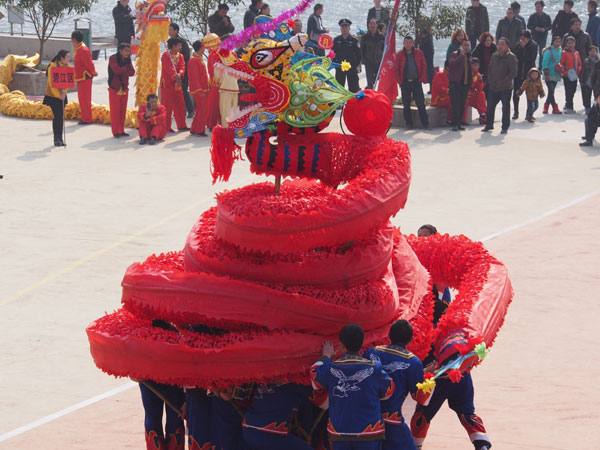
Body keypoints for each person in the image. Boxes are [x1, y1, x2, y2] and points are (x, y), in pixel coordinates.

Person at [310, 324, 395, 449]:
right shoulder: (374, 367)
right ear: (361, 345)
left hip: (340, 432)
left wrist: (326, 356)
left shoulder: (331, 367)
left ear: (341, 345)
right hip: (369, 432)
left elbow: (314, 379)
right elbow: (388, 392)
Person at [410, 332, 492, 450]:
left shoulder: (427, 329)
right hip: (460, 374)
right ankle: (481, 444)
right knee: (467, 412)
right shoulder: (458, 326)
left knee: (423, 413)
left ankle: (415, 445)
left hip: (436, 378)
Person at [363, 320, 427, 450]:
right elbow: (419, 397)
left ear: (389, 335)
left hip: (366, 417)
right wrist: (428, 385)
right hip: (391, 422)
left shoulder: (371, 352)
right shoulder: (413, 361)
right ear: (410, 339)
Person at [138, 320, 185, 450]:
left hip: (173, 381)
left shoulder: (175, 336)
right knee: (153, 421)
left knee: (174, 423)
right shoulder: (142, 334)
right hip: (150, 380)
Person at [242, 383, 313, 450]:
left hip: (247, 431)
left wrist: (298, 428)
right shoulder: (298, 382)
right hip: (271, 435)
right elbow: (321, 399)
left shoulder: (266, 376)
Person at [483, 37, 518, 134]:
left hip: (505, 87)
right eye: (499, 44)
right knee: (490, 106)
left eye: (502, 44)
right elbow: (490, 69)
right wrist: (490, 80)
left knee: (505, 107)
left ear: (507, 46)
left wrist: (503, 82)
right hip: (493, 86)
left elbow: (513, 72)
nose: (500, 46)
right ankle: (489, 124)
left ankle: (505, 127)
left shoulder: (511, 57)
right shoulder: (494, 55)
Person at [395, 35, 429, 129]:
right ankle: (408, 123)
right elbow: (396, 69)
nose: (408, 44)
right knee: (406, 104)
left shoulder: (419, 53)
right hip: (405, 82)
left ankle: (425, 123)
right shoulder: (399, 54)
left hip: (416, 82)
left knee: (420, 103)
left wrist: (421, 79)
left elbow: (424, 66)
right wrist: (400, 82)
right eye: (406, 42)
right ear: (403, 43)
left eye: (410, 42)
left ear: (413, 43)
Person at [43, 49, 70, 147]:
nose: (69, 59)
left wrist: (64, 92)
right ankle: (56, 138)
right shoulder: (52, 66)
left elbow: (68, 82)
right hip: (53, 96)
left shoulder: (68, 66)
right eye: (67, 57)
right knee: (57, 116)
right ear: (61, 58)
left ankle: (60, 138)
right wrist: (59, 95)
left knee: (61, 116)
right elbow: (51, 83)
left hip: (62, 95)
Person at [108, 42, 135, 138]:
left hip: (124, 88)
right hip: (114, 88)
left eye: (129, 51)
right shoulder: (113, 58)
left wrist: (124, 69)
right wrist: (126, 69)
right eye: (126, 51)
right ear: (120, 51)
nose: (128, 53)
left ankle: (121, 130)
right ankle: (115, 131)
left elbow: (132, 72)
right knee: (115, 111)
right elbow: (116, 70)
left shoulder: (128, 59)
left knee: (122, 111)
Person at [161, 38, 188, 132]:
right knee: (167, 106)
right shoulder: (165, 55)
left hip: (177, 83)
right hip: (168, 83)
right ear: (173, 46)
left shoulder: (180, 56)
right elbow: (168, 68)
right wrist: (175, 75)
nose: (180, 47)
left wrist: (180, 74)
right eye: (178, 45)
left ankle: (182, 125)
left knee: (180, 104)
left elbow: (182, 66)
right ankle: (166, 126)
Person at [168, 23, 195, 118]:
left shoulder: (182, 42)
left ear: (176, 31)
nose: (169, 32)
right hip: (174, 70)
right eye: (169, 29)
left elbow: (186, 56)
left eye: (171, 29)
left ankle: (190, 110)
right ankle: (179, 110)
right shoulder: (169, 42)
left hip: (183, 69)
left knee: (183, 89)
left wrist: (181, 68)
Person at [71, 30, 96, 126]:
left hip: (85, 77)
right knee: (82, 99)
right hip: (80, 77)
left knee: (85, 99)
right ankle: (85, 117)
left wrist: (93, 72)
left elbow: (89, 63)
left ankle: (87, 118)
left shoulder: (83, 49)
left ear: (74, 39)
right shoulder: (78, 48)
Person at [448, 39, 473, 131]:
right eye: (464, 45)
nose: (466, 47)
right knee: (456, 106)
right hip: (455, 84)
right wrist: (461, 56)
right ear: (460, 46)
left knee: (462, 105)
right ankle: (454, 123)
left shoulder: (469, 56)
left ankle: (459, 123)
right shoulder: (454, 54)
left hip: (465, 84)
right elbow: (452, 64)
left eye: (468, 45)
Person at [513, 30, 538, 119]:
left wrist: (523, 51)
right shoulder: (518, 45)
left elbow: (531, 59)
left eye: (524, 38)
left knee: (530, 94)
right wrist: (521, 48)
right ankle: (516, 112)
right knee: (516, 93)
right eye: (521, 38)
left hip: (529, 73)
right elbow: (515, 57)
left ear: (528, 38)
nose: (522, 40)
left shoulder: (533, 45)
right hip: (518, 73)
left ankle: (529, 113)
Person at [188, 40, 210, 137]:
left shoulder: (197, 58)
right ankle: (199, 130)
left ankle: (194, 128)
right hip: (200, 89)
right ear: (201, 49)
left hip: (202, 88)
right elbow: (194, 77)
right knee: (202, 110)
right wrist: (199, 90)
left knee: (200, 109)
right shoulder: (194, 60)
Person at [333, 19, 361, 93]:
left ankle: (353, 104)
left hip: (351, 68)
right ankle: (340, 104)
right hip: (340, 67)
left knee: (354, 89)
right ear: (340, 28)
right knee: (339, 89)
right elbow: (333, 53)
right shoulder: (336, 40)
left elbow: (359, 55)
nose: (344, 29)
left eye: (346, 27)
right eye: (343, 27)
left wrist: (354, 66)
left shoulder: (354, 41)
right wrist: (335, 64)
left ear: (349, 28)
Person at [213, 48, 240, 127]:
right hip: (235, 87)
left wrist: (218, 82)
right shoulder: (234, 56)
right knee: (233, 111)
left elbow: (217, 75)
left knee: (225, 112)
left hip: (225, 87)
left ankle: (226, 132)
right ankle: (232, 130)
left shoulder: (219, 56)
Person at [542, 35, 564, 114]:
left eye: (559, 42)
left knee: (551, 91)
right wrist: (546, 72)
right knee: (551, 90)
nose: (558, 43)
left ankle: (546, 106)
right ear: (552, 42)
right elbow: (545, 62)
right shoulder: (549, 51)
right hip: (549, 73)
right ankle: (554, 107)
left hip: (556, 73)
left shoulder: (560, 51)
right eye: (556, 42)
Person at [561, 36, 582, 113]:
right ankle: (569, 106)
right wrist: (565, 72)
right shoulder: (564, 53)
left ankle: (567, 104)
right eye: (569, 43)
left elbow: (579, 64)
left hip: (574, 75)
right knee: (568, 90)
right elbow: (561, 64)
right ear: (566, 44)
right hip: (567, 75)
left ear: (575, 44)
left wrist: (578, 71)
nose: (570, 45)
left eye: (572, 43)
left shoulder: (577, 53)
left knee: (573, 89)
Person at [527, 1, 553, 68]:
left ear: (542, 7)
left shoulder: (546, 16)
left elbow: (550, 26)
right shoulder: (532, 16)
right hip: (534, 36)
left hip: (543, 37)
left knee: (542, 52)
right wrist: (534, 28)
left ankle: (541, 67)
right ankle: (532, 66)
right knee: (533, 52)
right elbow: (528, 25)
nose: (537, 8)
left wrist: (544, 29)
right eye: (536, 7)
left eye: (538, 7)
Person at [362, 19, 385, 89]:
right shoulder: (365, 37)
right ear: (369, 25)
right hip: (368, 62)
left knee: (377, 79)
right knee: (370, 81)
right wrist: (364, 61)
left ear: (376, 25)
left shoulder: (381, 37)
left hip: (378, 62)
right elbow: (362, 50)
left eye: (374, 24)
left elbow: (384, 50)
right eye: (371, 24)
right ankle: (370, 93)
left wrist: (383, 61)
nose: (372, 26)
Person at [467, 58, 488, 124]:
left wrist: (479, 81)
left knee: (482, 94)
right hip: (465, 96)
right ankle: (483, 115)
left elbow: (480, 89)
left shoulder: (478, 75)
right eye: (474, 65)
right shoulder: (466, 73)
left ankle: (482, 115)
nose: (476, 67)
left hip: (472, 95)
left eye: (477, 65)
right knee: (480, 97)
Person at [580, 45, 599, 112]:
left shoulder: (598, 61)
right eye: (591, 51)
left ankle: (596, 108)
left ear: (597, 52)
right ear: (588, 52)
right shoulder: (586, 61)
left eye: (594, 51)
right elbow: (582, 71)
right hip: (587, 81)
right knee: (586, 95)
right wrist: (581, 80)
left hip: (596, 83)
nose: (592, 53)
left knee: (596, 96)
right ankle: (587, 108)